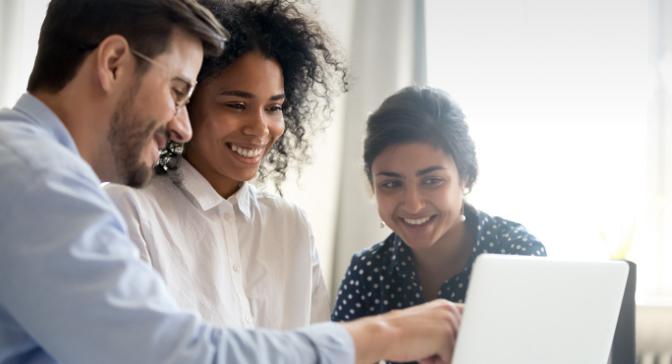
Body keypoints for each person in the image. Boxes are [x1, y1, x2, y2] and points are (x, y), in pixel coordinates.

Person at [0, 1, 461, 363]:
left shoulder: (27, 164)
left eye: (273, 107)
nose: (180, 127)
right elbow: (171, 355)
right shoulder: (39, 179)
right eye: (179, 91)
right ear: (115, 62)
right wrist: (388, 334)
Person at [104, 0, 344, 330]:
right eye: (237, 105)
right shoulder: (129, 208)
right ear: (184, 103)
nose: (260, 128)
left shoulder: (291, 226)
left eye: (273, 108)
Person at [333, 86, 546, 323]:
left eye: (432, 181)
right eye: (392, 184)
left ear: (465, 176)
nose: (413, 205)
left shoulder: (516, 254)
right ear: (372, 185)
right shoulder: (368, 271)